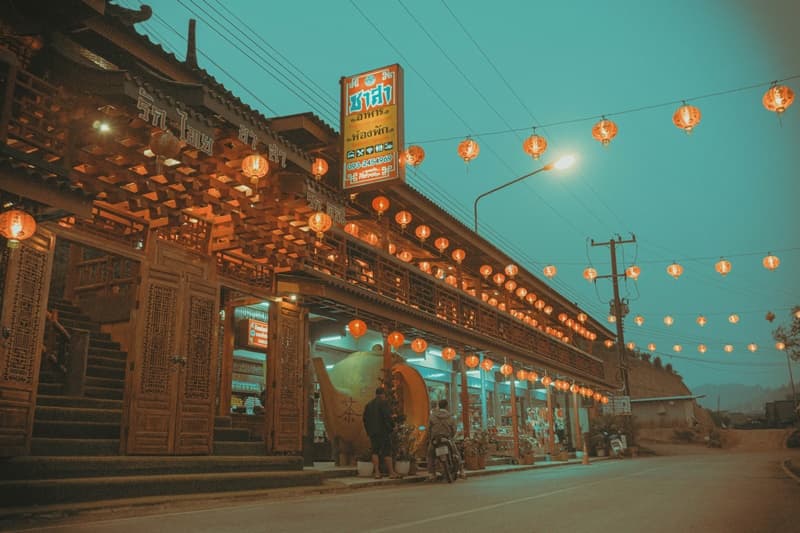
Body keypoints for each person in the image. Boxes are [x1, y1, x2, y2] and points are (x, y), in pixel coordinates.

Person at [362, 387, 398, 479]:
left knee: (375, 451)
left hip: (373, 433)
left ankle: (377, 473)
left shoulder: (368, 405)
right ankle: (391, 472)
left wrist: (368, 431)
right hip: (383, 432)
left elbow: (365, 420)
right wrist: (392, 427)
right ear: (383, 395)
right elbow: (387, 417)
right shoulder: (384, 403)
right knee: (387, 451)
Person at [427, 399, 463, 480]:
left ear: (438, 406)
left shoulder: (432, 416)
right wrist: (451, 437)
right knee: (456, 452)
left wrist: (431, 438)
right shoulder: (450, 417)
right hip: (447, 438)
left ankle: (432, 473)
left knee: (430, 454)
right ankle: (461, 471)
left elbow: (429, 429)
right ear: (447, 406)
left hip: (435, 439)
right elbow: (454, 429)